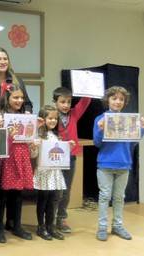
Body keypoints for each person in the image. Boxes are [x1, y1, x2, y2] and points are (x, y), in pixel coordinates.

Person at [93, 86, 144, 241]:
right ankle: (102, 228)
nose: (118, 102)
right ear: (107, 100)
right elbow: (97, 143)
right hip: (105, 164)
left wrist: (142, 129)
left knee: (119, 197)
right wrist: (100, 129)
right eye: (114, 98)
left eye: (121, 99)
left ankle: (117, 226)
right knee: (104, 197)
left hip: (124, 164)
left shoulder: (128, 120)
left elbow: (132, 143)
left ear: (125, 102)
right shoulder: (100, 119)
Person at [0, 84, 34, 243]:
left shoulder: (25, 116)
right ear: (7, 98)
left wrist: (36, 127)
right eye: (16, 97)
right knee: (1, 194)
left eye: (21, 98)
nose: (20, 100)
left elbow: (29, 135)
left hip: (21, 155)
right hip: (6, 157)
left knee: (17, 193)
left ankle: (16, 225)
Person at [53, 87, 91, 233]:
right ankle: (49, 218)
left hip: (71, 157)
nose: (66, 105)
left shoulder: (74, 114)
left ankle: (61, 218)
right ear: (55, 102)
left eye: (68, 102)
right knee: (55, 190)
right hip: (54, 158)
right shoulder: (51, 114)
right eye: (62, 102)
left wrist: (86, 84)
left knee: (66, 190)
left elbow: (85, 101)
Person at [32, 105, 66, 241]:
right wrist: (34, 146)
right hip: (43, 172)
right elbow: (33, 155)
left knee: (53, 201)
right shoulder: (38, 135)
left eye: (55, 118)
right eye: (50, 118)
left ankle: (50, 226)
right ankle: (41, 227)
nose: (53, 121)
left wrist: (66, 146)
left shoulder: (56, 135)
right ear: (43, 119)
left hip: (55, 173)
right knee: (43, 200)